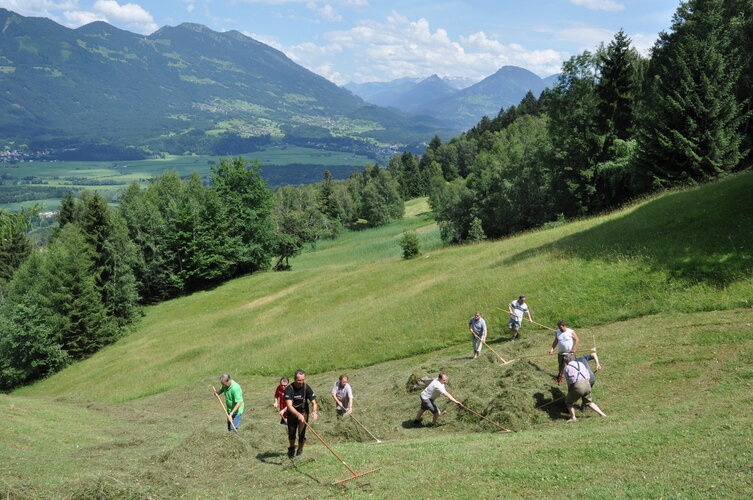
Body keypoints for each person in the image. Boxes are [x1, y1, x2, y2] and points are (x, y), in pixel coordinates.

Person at [562, 353, 606, 422]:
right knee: (589, 402)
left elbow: (569, 383)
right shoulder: (580, 364)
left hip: (578, 386)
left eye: (565, 360)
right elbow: (588, 375)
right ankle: (602, 414)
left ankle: (573, 417)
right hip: (587, 384)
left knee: (568, 402)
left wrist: (569, 391)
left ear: (567, 360)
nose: (564, 361)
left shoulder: (567, 368)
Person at [284, 369, 318, 458]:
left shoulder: (306, 387)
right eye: (299, 380)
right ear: (295, 379)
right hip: (292, 413)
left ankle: (300, 449)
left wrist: (314, 411)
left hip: (303, 412)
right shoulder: (289, 389)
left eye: (303, 380)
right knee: (291, 433)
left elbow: (314, 402)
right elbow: (289, 406)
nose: (301, 382)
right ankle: (291, 448)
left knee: (301, 433)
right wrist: (298, 414)